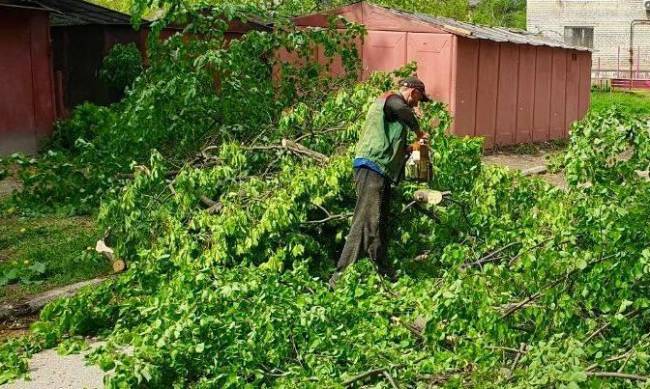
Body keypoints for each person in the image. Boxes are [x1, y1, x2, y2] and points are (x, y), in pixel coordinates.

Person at [329, 76, 430, 288]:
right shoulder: (392, 100)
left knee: (380, 223)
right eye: (419, 98)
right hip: (371, 168)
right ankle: (338, 278)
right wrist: (419, 130)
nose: (418, 104)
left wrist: (413, 148)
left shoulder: (395, 115)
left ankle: (383, 274)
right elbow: (401, 109)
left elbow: (394, 147)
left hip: (380, 171)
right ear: (413, 92)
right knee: (365, 221)